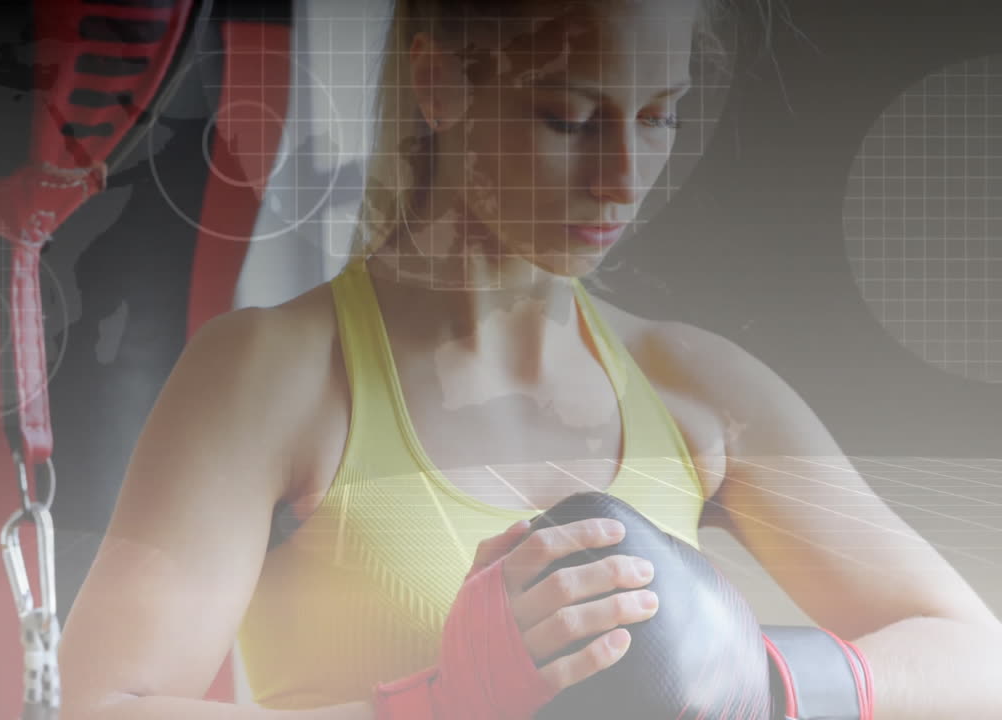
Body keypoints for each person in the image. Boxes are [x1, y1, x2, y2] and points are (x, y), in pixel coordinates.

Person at [58, 1, 1002, 718]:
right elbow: (103, 707)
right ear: (440, 84)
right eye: (569, 118)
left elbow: (977, 658)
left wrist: (768, 681)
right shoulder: (278, 377)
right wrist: (435, 703)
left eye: (658, 117)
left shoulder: (696, 392)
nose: (623, 179)